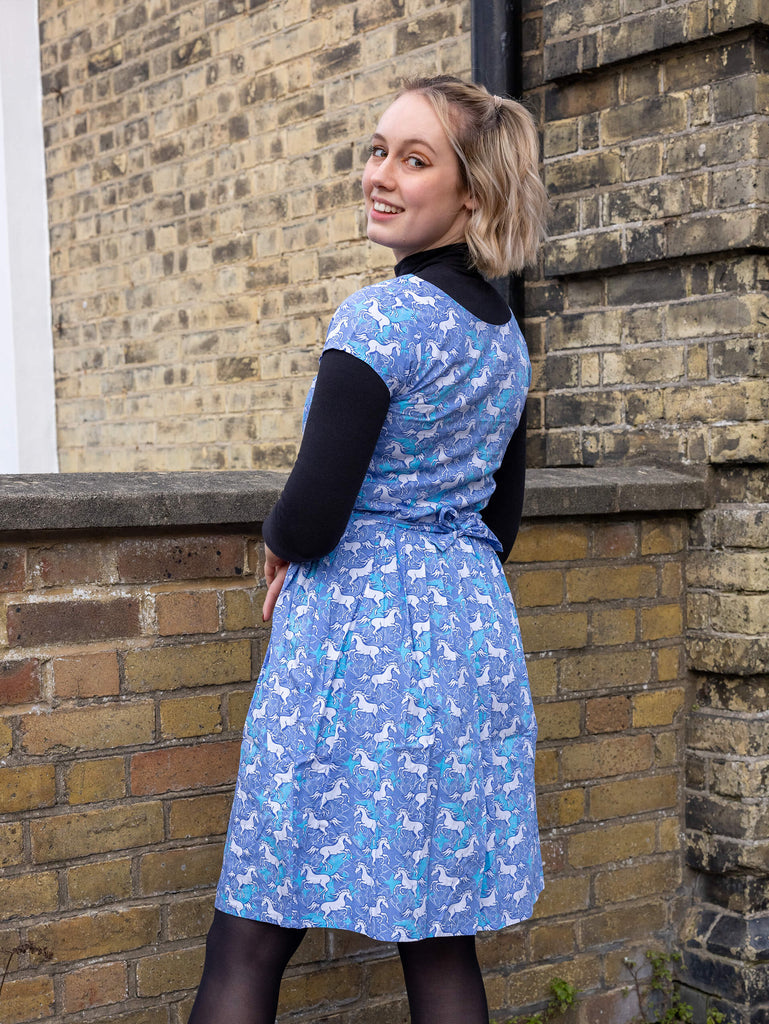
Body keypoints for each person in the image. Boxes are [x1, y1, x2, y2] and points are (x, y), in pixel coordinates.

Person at [188, 75, 550, 1024]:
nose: (380, 175)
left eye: (414, 159)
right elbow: (499, 518)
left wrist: (277, 545)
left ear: (469, 195)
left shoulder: (378, 321)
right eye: (377, 149)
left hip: (358, 639)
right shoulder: (503, 338)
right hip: (465, 634)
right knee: (438, 935)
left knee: (254, 925)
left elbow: (311, 519)